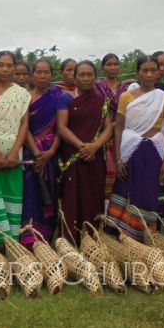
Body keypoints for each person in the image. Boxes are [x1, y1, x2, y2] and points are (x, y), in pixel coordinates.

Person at [107, 55, 164, 241]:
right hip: (130, 151)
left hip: (153, 152)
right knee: (124, 189)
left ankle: (141, 234)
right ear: (137, 72)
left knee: (147, 192)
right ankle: (117, 235)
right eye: (145, 70)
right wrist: (118, 159)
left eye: (153, 70)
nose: (149, 74)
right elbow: (119, 127)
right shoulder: (126, 97)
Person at [57, 61, 113, 244]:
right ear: (75, 78)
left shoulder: (102, 101)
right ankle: (71, 241)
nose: (86, 78)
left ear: (95, 77)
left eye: (90, 74)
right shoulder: (65, 99)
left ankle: (93, 240)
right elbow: (62, 128)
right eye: (82, 75)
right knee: (72, 198)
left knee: (93, 197)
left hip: (94, 158)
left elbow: (108, 128)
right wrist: (82, 146)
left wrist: (95, 146)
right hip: (73, 156)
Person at [0, 51, 31, 244]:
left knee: (12, 195)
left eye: (9, 65)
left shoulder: (22, 94)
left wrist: (13, 152)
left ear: (14, 68)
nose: (4, 69)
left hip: (14, 155)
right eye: (1, 65)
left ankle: (11, 243)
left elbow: (24, 124)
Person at [20, 59, 68, 245]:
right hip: (29, 154)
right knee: (30, 194)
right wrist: (36, 153)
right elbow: (24, 128)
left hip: (52, 155)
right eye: (38, 72)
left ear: (51, 74)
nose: (42, 75)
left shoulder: (58, 97)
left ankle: (46, 237)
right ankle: (29, 238)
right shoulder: (24, 98)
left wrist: (50, 152)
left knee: (50, 194)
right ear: (32, 75)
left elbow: (60, 128)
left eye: (46, 72)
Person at [93, 54, 130, 200]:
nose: (113, 67)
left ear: (120, 67)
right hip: (102, 133)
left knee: (121, 170)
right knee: (105, 170)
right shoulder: (96, 87)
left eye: (115, 64)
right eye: (109, 64)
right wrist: (111, 124)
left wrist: (117, 124)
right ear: (102, 68)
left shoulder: (126, 89)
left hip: (122, 135)